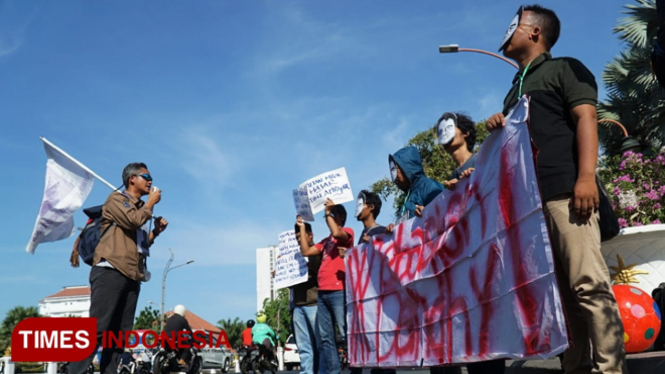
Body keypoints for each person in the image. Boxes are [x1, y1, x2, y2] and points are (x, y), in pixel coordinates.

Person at [486, 5, 627, 373]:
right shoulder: (512, 90)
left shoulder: (564, 68)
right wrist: (501, 125)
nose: (507, 31)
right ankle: (576, 368)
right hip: (531, 209)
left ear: (534, 32)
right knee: (562, 300)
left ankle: (611, 368)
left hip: (566, 194)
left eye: (514, 25)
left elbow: (586, 117)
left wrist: (585, 178)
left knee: (588, 286)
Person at [69, 162, 168, 374]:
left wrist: (155, 232)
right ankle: (74, 371)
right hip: (110, 271)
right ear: (132, 179)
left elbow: (140, 244)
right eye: (145, 176)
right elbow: (132, 221)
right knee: (98, 329)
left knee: (119, 335)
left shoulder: (141, 209)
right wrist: (150, 202)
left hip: (132, 275)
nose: (150, 181)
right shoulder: (116, 200)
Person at [434, 112, 506, 374]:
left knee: (487, 327)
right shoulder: (452, 178)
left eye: (449, 127)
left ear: (465, 132)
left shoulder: (483, 161)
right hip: (466, 262)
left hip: (487, 254)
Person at [297, 199, 354, 374]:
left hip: (338, 290)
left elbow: (337, 233)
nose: (327, 218)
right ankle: (333, 371)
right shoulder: (325, 241)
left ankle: (355, 368)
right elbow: (306, 251)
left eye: (331, 215)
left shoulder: (347, 233)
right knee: (326, 338)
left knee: (345, 334)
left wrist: (329, 210)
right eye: (327, 216)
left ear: (341, 217)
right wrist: (301, 226)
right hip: (323, 292)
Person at [342, 190, 397, 374]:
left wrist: (374, 242)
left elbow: (388, 259)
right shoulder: (362, 235)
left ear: (371, 207)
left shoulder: (381, 231)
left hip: (381, 301)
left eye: (361, 204)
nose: (357, 208)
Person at [290, 222, 322, 374]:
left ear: (310, 235)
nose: (299, 240)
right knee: (304, 347)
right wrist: (281, 276)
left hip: (313, 304)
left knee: (319, 345)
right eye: (297, 237)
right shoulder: (293, 257)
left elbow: (321, 273)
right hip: (298, 305)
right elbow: (290, 284)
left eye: (301, 236)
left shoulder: (316, 251)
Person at [388, 146, 444, 226]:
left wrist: (429, 215)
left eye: (395, 171)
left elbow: (444, 215)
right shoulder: (407, 198)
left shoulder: (429, 186)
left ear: (406, 168)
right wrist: (394, 229)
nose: (394, 179)